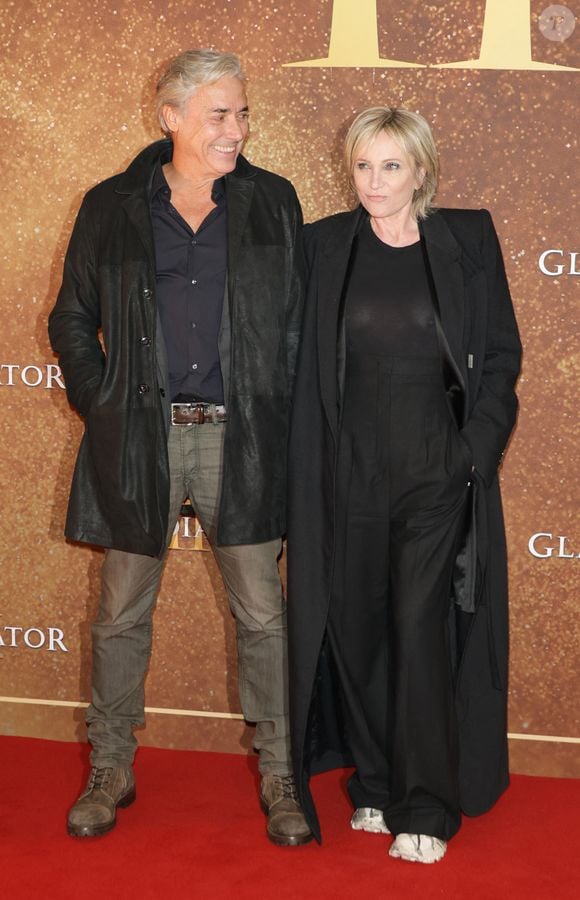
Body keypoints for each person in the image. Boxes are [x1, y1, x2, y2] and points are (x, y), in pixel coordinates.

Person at [49, 48, 311, 847]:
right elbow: (71, 318)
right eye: (219, 115)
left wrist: (284, 411)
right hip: (143, 439)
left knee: (265, 618)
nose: (237, 129)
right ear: (171, 118)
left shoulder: (272, 200)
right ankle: (112, 767)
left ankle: (280, 774)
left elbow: (297, 320)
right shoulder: (111, 204)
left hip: (245, 439)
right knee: (122, 614)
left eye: (241, 113)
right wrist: (105, 402)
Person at [287, 107, 521, 863]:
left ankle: (427, 804)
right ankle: (380, 785)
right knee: (356, 631)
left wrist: (470, 458)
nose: (375, 182)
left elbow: (500, 357)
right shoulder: (326, 245)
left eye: (391, 166)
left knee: (421, 631)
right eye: (362, 166)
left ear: (421, 171)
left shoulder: (468, 240)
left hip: (433, 471)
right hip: (348, 471)